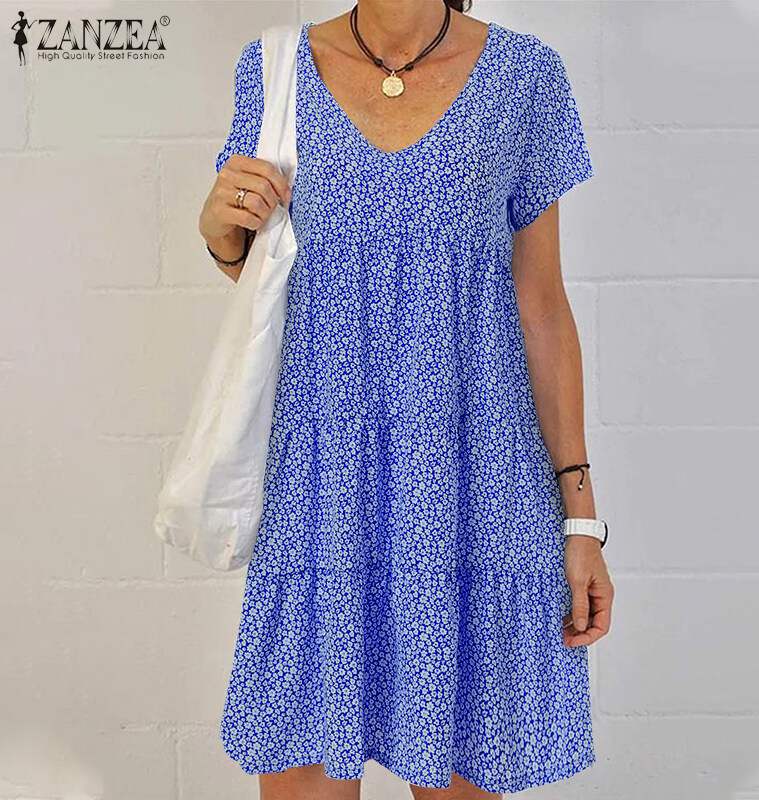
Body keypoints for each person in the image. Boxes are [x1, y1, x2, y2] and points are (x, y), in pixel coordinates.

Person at [200, 1, 614, 798]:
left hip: (475, 489)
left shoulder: (526, 77)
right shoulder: (275, 71)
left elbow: (543, 308)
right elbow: (268, 274)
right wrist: (221, 234)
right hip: (325, 488)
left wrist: (581, 521)